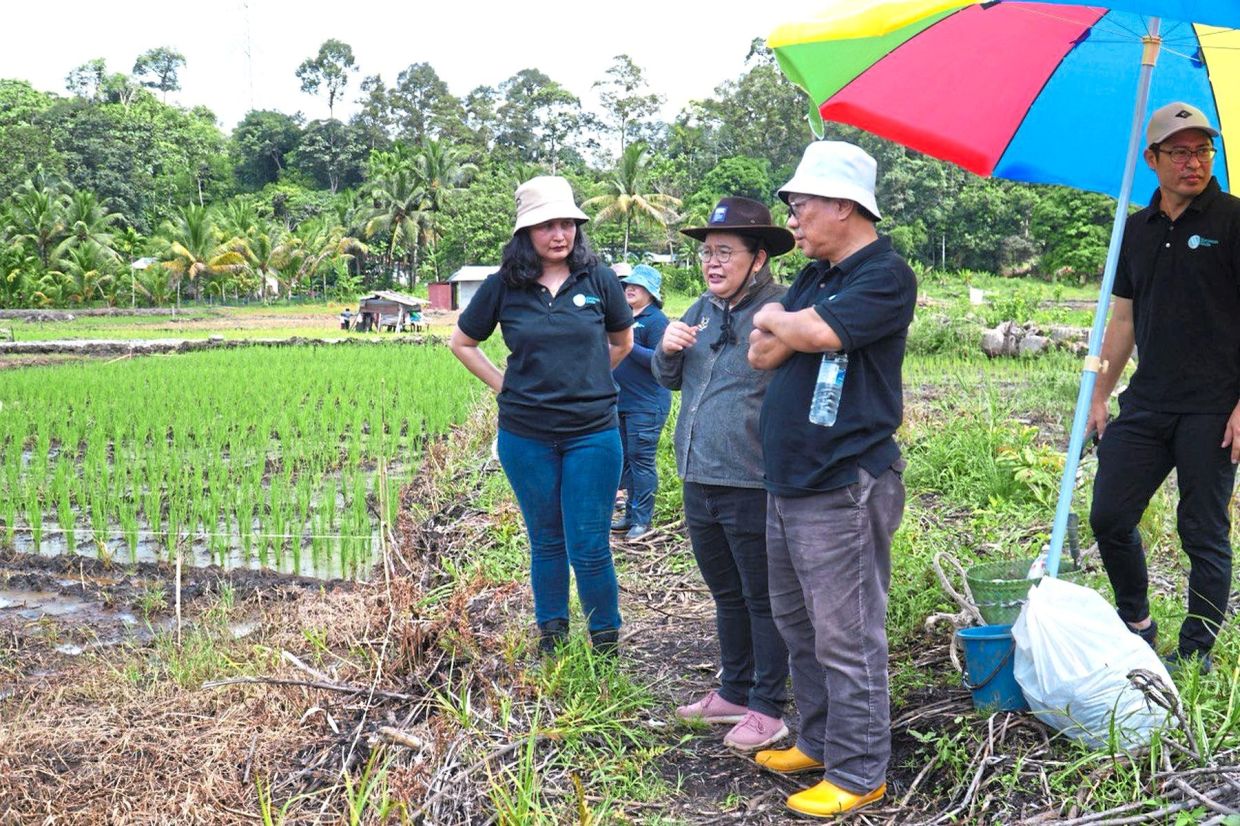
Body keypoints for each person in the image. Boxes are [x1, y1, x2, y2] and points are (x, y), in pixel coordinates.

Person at [747, 142, 916, 818]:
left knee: (847, 634)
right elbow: (764, 352)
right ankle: (816, 741)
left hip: (844, 483)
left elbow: (810, 336)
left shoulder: (884, 274)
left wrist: (789, 325)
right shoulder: (815, 278)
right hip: (790, 479)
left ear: (843, 207)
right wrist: (793, 325)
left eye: (802, 206)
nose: (793, 220)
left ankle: (859, 770)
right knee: (797, 622)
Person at [450, 175, 634, 656]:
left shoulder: (600, 279)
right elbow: (463, 343)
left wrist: (585, 382)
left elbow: (622, 343)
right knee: (546, 540)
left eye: (568, 223)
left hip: (592, 434)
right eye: (547, 225)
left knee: (589, 544)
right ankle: (552, 641)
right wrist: (505, 386)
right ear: (525, 234)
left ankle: (604, 646)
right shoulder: (502, 286)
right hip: (525, 436)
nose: (561, 234)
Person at [1087, 101, 1240, 677]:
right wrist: (1101, 394)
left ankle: (1197, 652)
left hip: (1214, 407)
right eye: (1180, 152)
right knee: (1109, 516)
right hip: (1147, 403)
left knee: (1202, 531)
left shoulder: (1233, 220)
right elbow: (1123, 319)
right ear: (1152, 159)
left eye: (1202, 151)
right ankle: (1137, 624)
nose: (1193, 162)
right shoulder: (1136, 229)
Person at [652, 196, 794, 753]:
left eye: (724, 252)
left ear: (758, 258)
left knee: (763, 597)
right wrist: (665, 349)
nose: (712, 263)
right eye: (707, 252)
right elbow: (670, 379)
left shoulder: (780, 309)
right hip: (698, 474)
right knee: (725, 593)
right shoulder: (700, 311)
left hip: (752, 479)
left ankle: (768, 707)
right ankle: (733, 691)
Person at [612, 264, 671, 541]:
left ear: (651, 293)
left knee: (641, 460)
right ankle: (630, 514)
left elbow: (657, 360)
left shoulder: (656, 320)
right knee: (626, 461)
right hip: (622, 402)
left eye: (638, 286)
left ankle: (642, 520)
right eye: (628, 284)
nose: (630, 288)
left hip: (647, 404)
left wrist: (628, 342)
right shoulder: (622, 319)